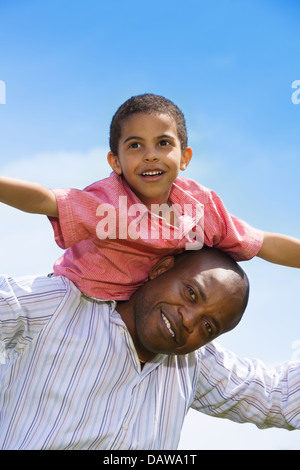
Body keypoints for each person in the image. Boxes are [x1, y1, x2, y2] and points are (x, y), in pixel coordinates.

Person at [0, 94, 299, 301]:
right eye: (135, 146)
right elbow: (43, 200)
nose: (150, 155)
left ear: (184, 157)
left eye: (163, 143)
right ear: (115, 162)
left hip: (135, 310)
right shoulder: (108, 202)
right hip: (74, 291)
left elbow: (261, 242)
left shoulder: (200, 209)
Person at [0, 247, 299, 450]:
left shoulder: (194, 364)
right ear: (161, 269)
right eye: (191, 293)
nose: (189, 319)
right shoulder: (62, 305)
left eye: (209, 327)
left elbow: (281, 398)